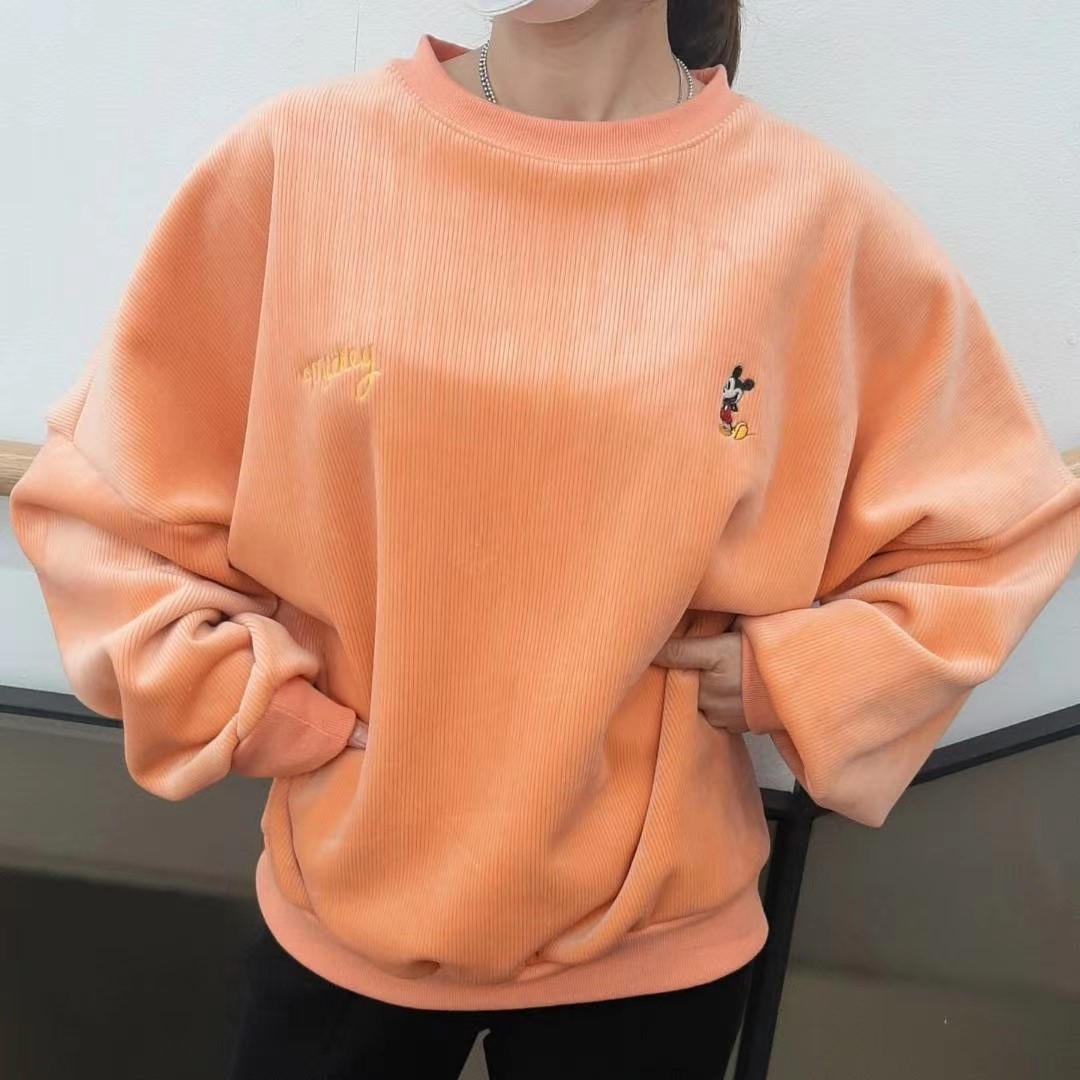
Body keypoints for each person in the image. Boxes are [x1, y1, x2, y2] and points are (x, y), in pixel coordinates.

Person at [9, 1, 1080, 1077]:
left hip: (655, 949)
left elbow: (999, 532)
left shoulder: (812, 218)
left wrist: (797, 676)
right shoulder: (299, 161)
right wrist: (253, 707)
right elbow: (105, 507)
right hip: (344, 911)